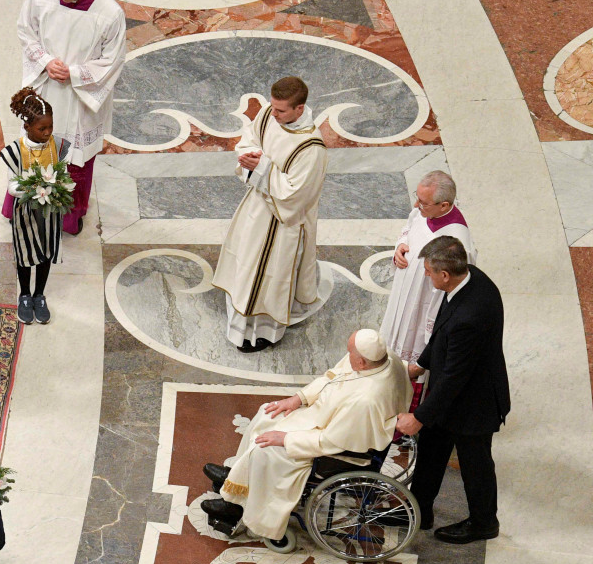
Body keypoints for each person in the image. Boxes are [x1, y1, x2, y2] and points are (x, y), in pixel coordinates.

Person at [201, 330, 412, 540]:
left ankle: (237, 509)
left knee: (266, 449)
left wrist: (285, 439)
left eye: (350, 353)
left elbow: (331, 441)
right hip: (327, 417)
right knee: (267, 413)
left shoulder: (367, 400)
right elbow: (332, 377)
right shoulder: (383, 358)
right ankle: (236, 479)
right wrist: (299, 398)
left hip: (337, 449)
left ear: (362, 363)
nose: (346, 356)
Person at [396, 237, 509, 544]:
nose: (426, 275)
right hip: (453, 392)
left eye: (429, 271)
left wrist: (419, 416)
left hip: (475, 401)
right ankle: (419, 510)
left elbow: (455, 377)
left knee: (476, 464)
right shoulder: (469, 279)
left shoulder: (470, 316)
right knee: (432, 447)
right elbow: (442, 330)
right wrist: (420, 364)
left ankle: (484, 522)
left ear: (444, 275)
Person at [212, 76, 328, 353]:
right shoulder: (268, 113)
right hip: (257, 207)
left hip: (284, 221)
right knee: (247, 261)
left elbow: (296, 196)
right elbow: (249, 139)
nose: (273, 114)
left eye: (281, 111)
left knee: (274, 276)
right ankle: (241, 313)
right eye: (273, 107)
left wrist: (262, 167)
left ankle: (265, 331)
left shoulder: (311, 147)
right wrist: (248, 157)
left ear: (299, 109)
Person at [16, 0, 126, 235]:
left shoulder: (109, 12)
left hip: (79, 96)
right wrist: (44, 61)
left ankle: (69, 217)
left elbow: (113, 59)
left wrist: (75, 73)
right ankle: (25, 206)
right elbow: (25, 32)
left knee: (75, 158)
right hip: (47, 87)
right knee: (34, 148)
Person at [380, 171, 476, 366]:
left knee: (409, 354)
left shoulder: (458, 242)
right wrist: (401, 245)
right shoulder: (423, 212)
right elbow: (407, 229)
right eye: (418, 198)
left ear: (444, 206)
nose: (416, 205)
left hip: (422, 306)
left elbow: (455, 288)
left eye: (423, 202)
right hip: (402, 294)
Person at [0, 88, 70, 325]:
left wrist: (56, 186)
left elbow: (65, 175)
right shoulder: (15, 151)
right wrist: (34, 189)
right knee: (26, 254)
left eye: (50, 127)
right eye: (42, 129)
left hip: (50, 213)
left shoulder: (58, 146)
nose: (48, 132)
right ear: (27, 126)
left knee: (45, 252)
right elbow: (11, 187)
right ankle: (24, 295)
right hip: (25, 213)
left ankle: (40, 294)